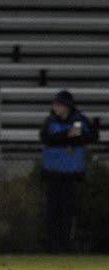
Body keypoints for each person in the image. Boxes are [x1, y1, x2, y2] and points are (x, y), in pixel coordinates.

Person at [40, 90, 98, 253]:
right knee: (52, 210)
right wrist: (68, 137)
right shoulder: (50, 121)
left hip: (71, 173)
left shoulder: (79, 120)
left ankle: (66, 245)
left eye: (58, 105)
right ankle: (53, 245)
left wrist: (72, 139)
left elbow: (92, 136)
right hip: (52, 172)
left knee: (68, 211)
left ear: (66, 106)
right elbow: (46, 138)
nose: (55, 107)